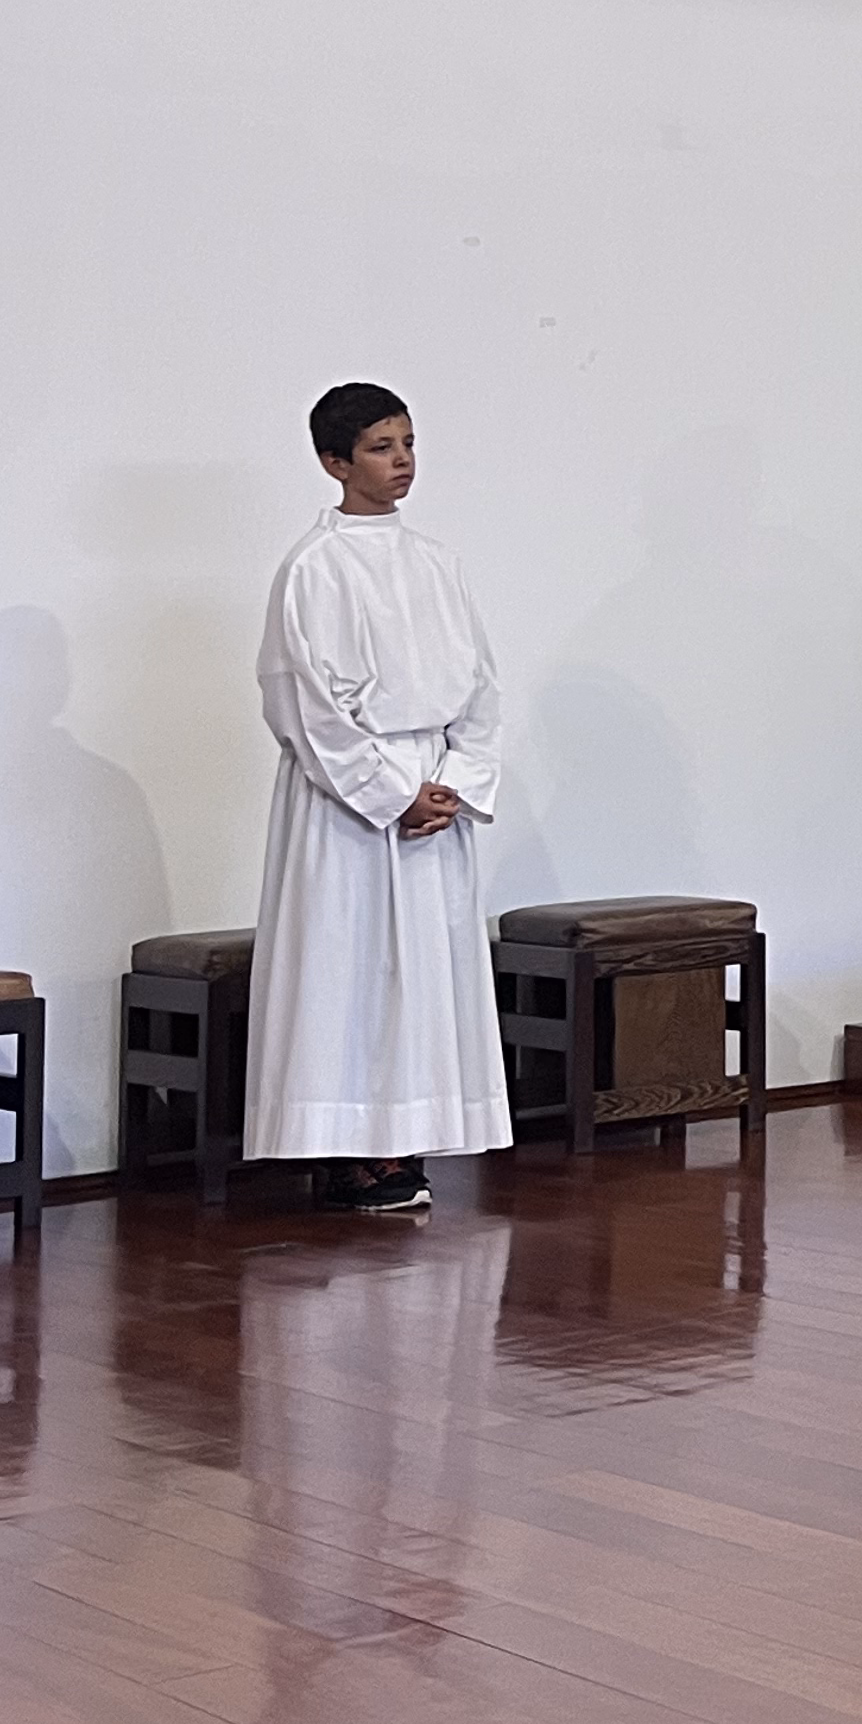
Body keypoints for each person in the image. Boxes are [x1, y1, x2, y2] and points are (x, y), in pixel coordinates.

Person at [244, 384, 511, 1214]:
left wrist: (456, 784)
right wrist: (391, 793)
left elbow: (481, 686)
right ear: (334, 462)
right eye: (380, 448)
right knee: (349, 969)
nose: (401, 462)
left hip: (432, 788)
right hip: (350, 802)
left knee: (424, 976)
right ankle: (348, 1152)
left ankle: (407, 1141)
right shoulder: (314, 567)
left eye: (407, 443)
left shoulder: (436, 562)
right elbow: (303, 701)